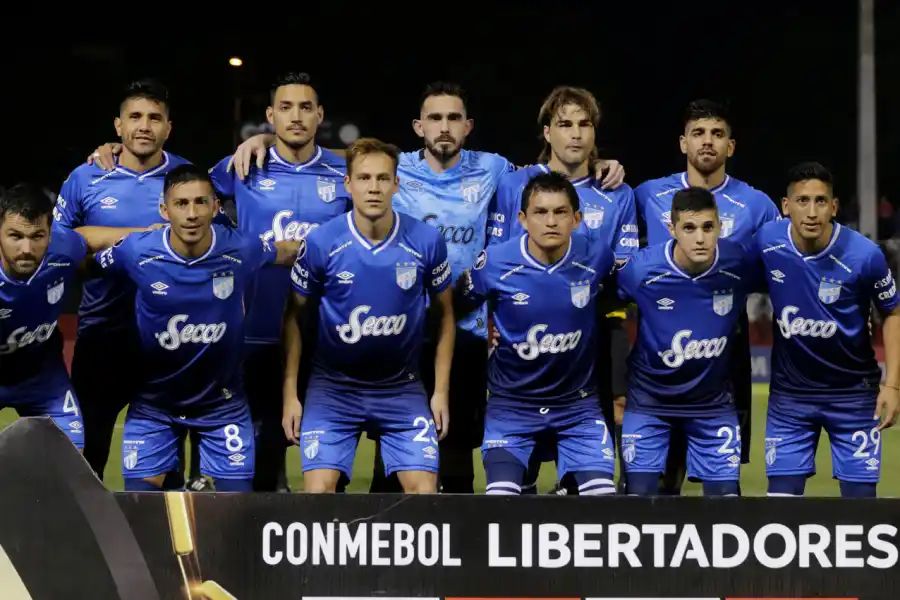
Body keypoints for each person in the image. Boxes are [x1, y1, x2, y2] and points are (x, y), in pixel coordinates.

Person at [232, 81, 627, 494]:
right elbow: (357, 162)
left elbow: (553, 177)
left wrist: (600, 166)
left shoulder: (495, 170)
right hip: (405, 333)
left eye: (453, 118)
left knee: (457, 452)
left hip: (467, 332)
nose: (444, 127)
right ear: (419, 126)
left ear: (468, 126)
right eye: (435, 118)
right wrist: (267, 138)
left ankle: (454, 547)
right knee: (389, 469)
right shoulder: (398, 168)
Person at [91, 164, 301, 492]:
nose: (191, 213)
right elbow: (83, 258)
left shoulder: (241, 248)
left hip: (223, 405)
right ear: (165, 209)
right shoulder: (137, 250)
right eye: (181, 204)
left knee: (234, 516)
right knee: (142, 511)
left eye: (201, 202)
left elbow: (285, 251)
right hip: (154, 406)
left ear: (216, 206)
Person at [281, 138, 455, 494]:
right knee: (317, 496)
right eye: (363, 178)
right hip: (333, 389)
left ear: (396, 184)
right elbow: (294, 317)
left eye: (381, 178)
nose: (373, 188)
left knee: (425, 496)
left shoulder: (426, 240)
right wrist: (290, 394)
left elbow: (446, 317)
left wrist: (439, 393)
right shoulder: (322, 241)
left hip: (401, 388)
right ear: (348, 184)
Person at [487, 85, 637, 494]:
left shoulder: (617, 191)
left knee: (607, 418)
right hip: (524, 332)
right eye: (564, 124)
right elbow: (496, 258)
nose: (575, 134)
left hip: (597, 329)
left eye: (584, 124)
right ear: (547, 132)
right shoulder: (513, 184)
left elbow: (624, 268)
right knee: (522, 459)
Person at [209, 72, 349, 492]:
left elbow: (389, 157)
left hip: (327, 333)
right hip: (258, 331)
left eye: (306, 107)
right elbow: (188, 197)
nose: (296, 117)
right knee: (262, 454)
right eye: (285, 108)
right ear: (271, 115)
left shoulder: (345, 171)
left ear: (320, 115)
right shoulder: (241, 166)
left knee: (327, 456)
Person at [633, 99, 780, 494]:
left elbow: (787, 268)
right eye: (698, 133)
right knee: (657, 480)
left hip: (724, 355)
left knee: (722, 482)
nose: (707, 142)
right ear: (683, 143)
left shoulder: (757, 205)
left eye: (718, 134)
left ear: (731, 146)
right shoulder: (648, 195)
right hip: (657, 354)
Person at [55, 79, 191, 482]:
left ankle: (168, 544)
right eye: (135, 117)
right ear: (118, 127)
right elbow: (61, 248)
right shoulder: (85, 177)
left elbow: (199, 251)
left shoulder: (186, 179)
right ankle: (83, 541)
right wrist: (145, 238)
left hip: (168, 337)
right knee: (88, 452)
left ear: (168, 127)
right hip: (102, 335)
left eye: (154, 118)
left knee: (167, 464)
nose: (144, 126)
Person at [460, 172, 617, 495]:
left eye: (560, 212)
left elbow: (619, 301)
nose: (550, 221)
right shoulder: (495, 263)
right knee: (502, 506)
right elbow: (456, 308)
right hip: (511, 407)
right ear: (522, 218)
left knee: (604, 507)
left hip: (578, 407)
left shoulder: (597, 257)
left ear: (576, 219)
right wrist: (480, 337)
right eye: (540, 212)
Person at [755, 162, 900, 497]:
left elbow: (892, 311)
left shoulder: (865, 255)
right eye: (802, 201)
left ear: (833, 207)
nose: (811, 211)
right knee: (780, 507)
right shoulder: (767, 243)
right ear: (785, 206)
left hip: (853, 396)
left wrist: (892, 385)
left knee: (861, 509)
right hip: (789, 398)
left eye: (820, 201)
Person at [617, 186, 754, 497]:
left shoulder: (739, 264)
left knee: (726, 504)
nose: (700, 238)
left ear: (720, 226)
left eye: (708, 227)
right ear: (672, 229)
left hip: (712, 405)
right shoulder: (641, 269)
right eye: (689, 228)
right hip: (649, 402)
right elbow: (598, 302)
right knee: (638, 499)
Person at [0, 183, 151, 449]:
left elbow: (88, 237)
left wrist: (154, 234)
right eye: (15, 236)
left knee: (70, 464)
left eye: (38, 236)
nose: (26, 248)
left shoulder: (62, 247)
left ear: (50, 233)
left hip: (43, 380)